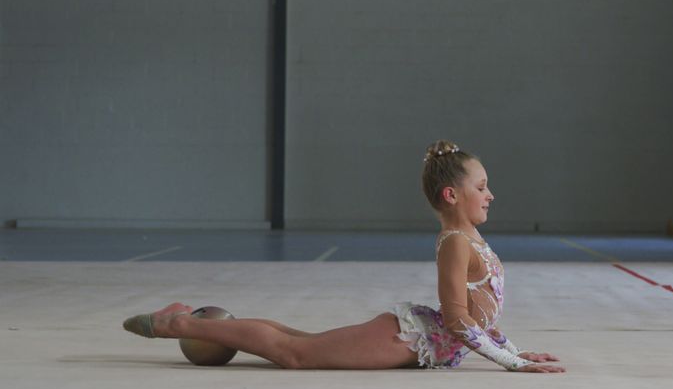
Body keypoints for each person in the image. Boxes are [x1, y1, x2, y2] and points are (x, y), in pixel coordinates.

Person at [122, 140, 564, 373]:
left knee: (301, 340)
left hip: (418, 342)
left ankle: (204, 324)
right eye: (481, 186)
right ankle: (176, 323)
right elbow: (457, 319)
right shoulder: (455, 243)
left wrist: (517, 349)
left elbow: (479, 316)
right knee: (298, 354)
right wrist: (511, 362)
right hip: (409, 339)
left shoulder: (469, 240)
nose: (490, 195)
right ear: (452, 194)